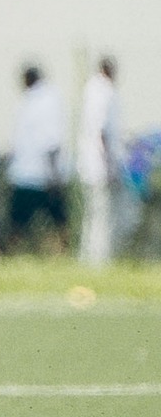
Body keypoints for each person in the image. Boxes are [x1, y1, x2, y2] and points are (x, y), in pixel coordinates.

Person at [7, 64, 68, 252]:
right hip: (36, 173)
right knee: (58, 220)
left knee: (19, 222)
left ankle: (8, 254)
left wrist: (53, 176)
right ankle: (62, 252)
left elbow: (50, 141)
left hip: (34, 174)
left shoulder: (40, 101)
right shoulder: (39, 100)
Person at [77, 57, 121, 267]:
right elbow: (102, 131)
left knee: (91, 213)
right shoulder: (105, 91)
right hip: (100, 164)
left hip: (89, 163)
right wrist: (109, 164)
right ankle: (100, 259)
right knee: (103, 215)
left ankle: (88, 257)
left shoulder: (91, 90)